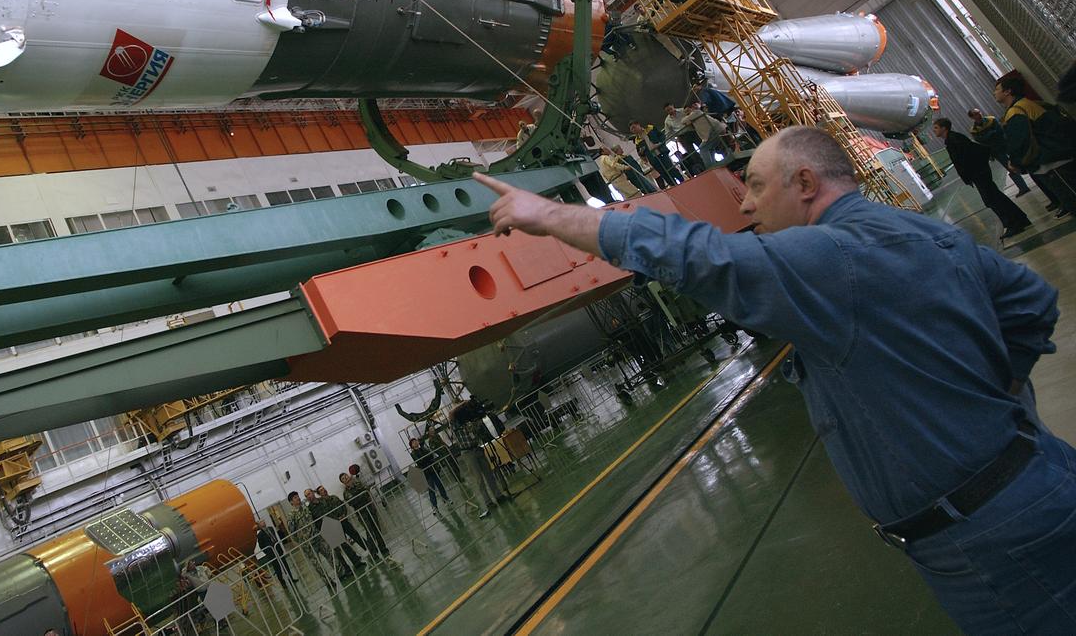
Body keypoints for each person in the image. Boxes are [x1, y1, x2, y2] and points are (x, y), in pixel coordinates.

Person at [472, 126, 1074, 635]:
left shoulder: (829, 258)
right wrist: (990, 398)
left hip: (990, 543)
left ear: (806, 185)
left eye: (756, 185)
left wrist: (546, 215)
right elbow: (1030, 304)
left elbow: (700, 256)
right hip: (1033, 476)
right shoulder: (921, 232)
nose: (745, 205)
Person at [932, 118, 1031, 239]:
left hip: (978, 173)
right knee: (995, 197)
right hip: (978, 173)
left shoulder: (954, 140)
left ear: (944, 128)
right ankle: (1020, 219)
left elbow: (967, 157)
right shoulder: (953, 139)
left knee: (992, 199)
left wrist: (970, 174)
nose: (934, 130)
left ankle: (1013, 223)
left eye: (936, 127)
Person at [995, 75, 1076, 217]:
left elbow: (1020, 141)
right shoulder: (1027, 104)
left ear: (1007, 91)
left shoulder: (1016, 111)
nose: (994, 92)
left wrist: (1015, 162)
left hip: (1053, 162)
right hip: (1058, 158)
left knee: (1070, 196)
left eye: (997, 89)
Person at [449, 400, 510, 519]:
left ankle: (498, 496)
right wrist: (464, 403)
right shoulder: (455, 424)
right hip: (468, 452)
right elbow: (451, 413)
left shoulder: (469, 420)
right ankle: (488, 502)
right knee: (479, 479)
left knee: (489, 474)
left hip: (477, 449)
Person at [967, 108, 1032, 195]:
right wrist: (991, 133)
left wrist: (987, 136)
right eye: (976, 113)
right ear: (972, 117)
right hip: (996, 151)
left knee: (1022, 160)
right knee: (1009, 167)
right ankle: (1023, 187)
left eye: (979, 112)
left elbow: (999, 131)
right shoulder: (974, 130)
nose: (979, 114)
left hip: (1005, 144)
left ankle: (1035, 176)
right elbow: (980, 140)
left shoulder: (991, 119)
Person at [286, 490, 335, 590]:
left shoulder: (306, 508)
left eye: (298, 496)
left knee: (330, 554)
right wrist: (303, 540)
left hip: (318, 537)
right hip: (308, 545)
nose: (298, 498)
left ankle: (341, 573)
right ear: (291, 502)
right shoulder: (291, 516)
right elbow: (292, 532)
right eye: (295, 498)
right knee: (318, 565)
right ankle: (328, 582)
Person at [341, 471, 392, 562]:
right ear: (343, 482)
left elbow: (366, 490)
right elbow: (353, 502)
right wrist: (362, 494)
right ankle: (373, 553)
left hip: (370, 508)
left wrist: (362, 493)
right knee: (369, 532)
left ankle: (382, 548)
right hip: (362, 512)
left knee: (377, 528)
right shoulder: (346, 493)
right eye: (343, 479)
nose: (346, 478)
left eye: (346, 476)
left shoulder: (357, 483)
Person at [409, 435, 451, 514]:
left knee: (440, 484)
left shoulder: (423, 448)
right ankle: (434, 506)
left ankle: (446, 499)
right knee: (432, 489)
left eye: (416, 441)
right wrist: (426, 458)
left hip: (432, 470)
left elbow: (430, 455)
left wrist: (426, 457)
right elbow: (420, 461)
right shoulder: (413, 453)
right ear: (411, 446)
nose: (415, 443)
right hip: (426, 473)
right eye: (413, 442)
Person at [255, 516, 295, 594]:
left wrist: (279, 547)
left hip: (278, 550)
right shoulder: (260, 535)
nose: (263, 522)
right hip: (272, 554)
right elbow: (261, 546)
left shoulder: (271, 528)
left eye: (263, 521)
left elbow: (275, 538)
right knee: (277, 569)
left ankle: (291, 578)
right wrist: (268, 552)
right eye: (261, 522)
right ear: (259, 525)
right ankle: (283, 583)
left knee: (285, 565)